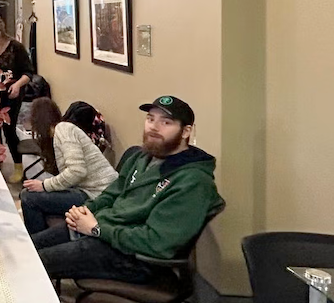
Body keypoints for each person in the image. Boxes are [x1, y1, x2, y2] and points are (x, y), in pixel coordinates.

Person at [32, 96, 223, 283]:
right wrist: (86, 210)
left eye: (166, 122)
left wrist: (98, 230)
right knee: (27, 248)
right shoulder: (142, 157)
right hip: (104, 232)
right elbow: (112, 193)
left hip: (134, 258)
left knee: (31, 265)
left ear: (186, 131)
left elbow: (157, 243)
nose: (154, 127)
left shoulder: (193, 181)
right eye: (150, 119)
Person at [19, 98, 118, 235]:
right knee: (30, 194)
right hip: (88, 190)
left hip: (98, 194)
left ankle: (36, 244)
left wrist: (44, 185)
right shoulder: (58, 134)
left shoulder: (64, 130)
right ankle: (40, 240)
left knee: (28, 198)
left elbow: (77, 171)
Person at [0, 16, 35, 182]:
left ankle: (18, 165)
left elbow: (28, 73)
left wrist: (17, 85)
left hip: (11, 94)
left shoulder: (15, 48)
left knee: (8, 130)